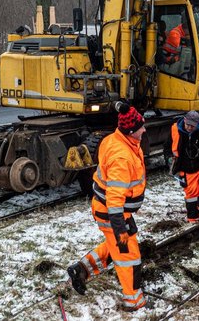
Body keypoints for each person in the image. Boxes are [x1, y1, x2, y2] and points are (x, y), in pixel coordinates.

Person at [67, 101, 147, 312]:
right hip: (113, 213)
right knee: (129, 257)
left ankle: (82, 269)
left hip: (112, 211)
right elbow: (114, 197)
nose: (144, 129)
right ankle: (134, 301)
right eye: (141, 127)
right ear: (130, 131)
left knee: (116, 246)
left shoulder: (114, 140)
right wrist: (120, 227)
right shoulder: (122, 157)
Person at [164, 110, 199, 223]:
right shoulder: (174, 130)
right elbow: (167, 149)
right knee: (191, 196)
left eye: (193, 126)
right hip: (186, 169)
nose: (190, 128)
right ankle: (193, 220)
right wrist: (169, 159)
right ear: (184, 121)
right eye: (188, 125)